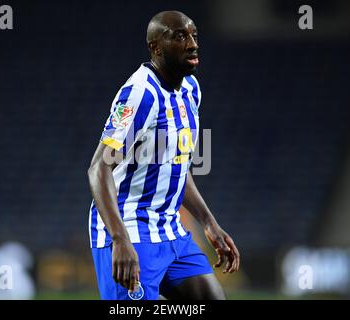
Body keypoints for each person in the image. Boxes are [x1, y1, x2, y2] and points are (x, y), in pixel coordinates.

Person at [87, 10, 240, 300]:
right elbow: (98, 168)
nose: (192, 43)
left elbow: (177, 167)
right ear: (156, 47)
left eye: (194, 35)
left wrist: (209, 222)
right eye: (180, 36)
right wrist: (119, 238)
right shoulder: (139, 94)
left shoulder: (191, 90)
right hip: (130, 227)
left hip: (170, 230)